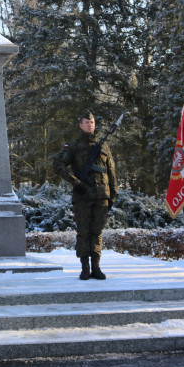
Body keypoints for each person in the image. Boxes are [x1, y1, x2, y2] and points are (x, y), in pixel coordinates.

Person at [53, 110, 118, 280]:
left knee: (97, 232)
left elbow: (111, 172)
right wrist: (76, 183)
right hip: (82, 196)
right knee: (83, 232)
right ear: (80, 125)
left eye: (92, 122)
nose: (90, 124)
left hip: (101, 196)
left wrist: (113, 195)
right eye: (86, 122)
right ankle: (85, 268)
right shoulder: (73, 146)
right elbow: (58, 165)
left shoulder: (103, 146)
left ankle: (96, 267)